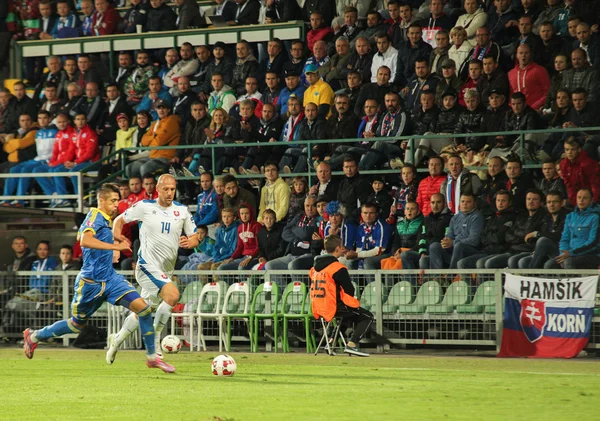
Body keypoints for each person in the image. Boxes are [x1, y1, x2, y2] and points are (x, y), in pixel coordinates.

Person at [22, 184, 175, 372]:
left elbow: (97, 244)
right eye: (112, 201)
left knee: (143, 309)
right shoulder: (94, 216)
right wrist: (114, 248)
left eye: (117, 201)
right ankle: (34, 336)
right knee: (76, 325)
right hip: (90, 284)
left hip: (110, 279)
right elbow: (85, 240)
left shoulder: (105, 220)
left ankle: (152, 357)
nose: (116, 205)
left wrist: (113, 247)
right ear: (100, 200)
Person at [310, 234, 374, 357]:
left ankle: (331, 341)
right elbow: (349, 289)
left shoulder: (314, 268)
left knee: (346, 315)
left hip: (318, 307)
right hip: (334, 307)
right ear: (338, 248)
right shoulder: (337, 267)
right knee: (367, 316)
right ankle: (352, 344)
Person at [428, 193, 484, 270]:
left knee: (459, 246)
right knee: (434, 246)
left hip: (470, 250)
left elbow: (474, 240)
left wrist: (453, 242)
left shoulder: (477, 217)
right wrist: (446, 241)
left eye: (468, 202)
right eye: (462, 201)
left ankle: (450, 277)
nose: (465, 204)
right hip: (454, 250)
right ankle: (437, 278)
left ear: (474, 204)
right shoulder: (455, 217)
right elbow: (449, 235)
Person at [550, 188, 600, 269]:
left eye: (585, 198)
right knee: (549, 264)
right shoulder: (570, 216)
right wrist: (563, 253)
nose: (581, 200)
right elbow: (564, 239)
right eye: (579, 197)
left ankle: (569, 281)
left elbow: (594, 243)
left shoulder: (595, 217)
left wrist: (572, 253)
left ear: (591, 201)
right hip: (569, 253)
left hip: (590, 254)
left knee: (568, 262)